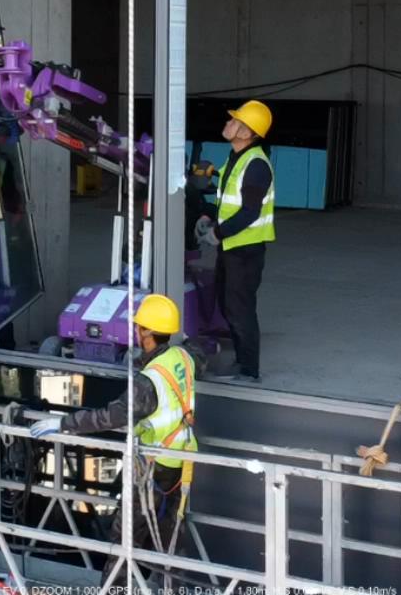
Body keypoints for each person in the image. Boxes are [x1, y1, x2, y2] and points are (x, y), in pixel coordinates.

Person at [30, 295, 198, 586]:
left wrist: (62, 423)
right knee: (171, 540)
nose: (136, 331)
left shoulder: (148, 382)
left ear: (147, 332)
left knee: (125, 541)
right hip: (181, 462)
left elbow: (109, 417)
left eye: (139, 327)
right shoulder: (183, 358)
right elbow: (197, 356)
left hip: (153, 469)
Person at [198, 100, 275, 384]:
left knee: (240, 309)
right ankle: (241, 361)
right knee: (228, 304)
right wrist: (208, 215)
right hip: (232, 248)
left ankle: (249, 370)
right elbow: (226, 199)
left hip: (245, 250)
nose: (228, 123)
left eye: (234, 121)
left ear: (246, 132)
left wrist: (217, 234)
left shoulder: (256, 165)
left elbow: (250, 211)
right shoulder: (236, 157)